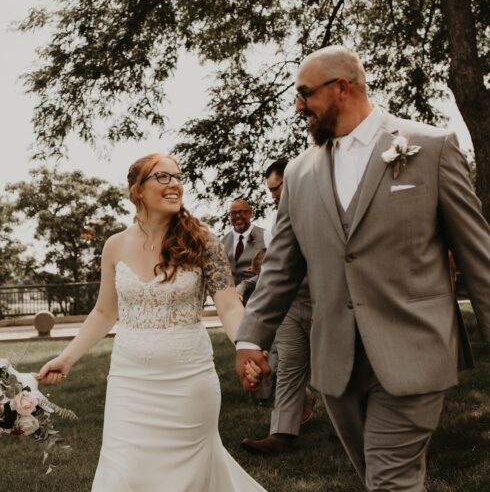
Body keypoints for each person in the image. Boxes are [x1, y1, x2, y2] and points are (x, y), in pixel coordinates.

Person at [235, 46, 490, 491]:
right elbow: (280, 269)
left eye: (305, 94)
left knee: (391, 480)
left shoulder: (430, 147)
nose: (298, 106)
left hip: (415, 349)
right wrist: (250, 337)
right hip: (336, 362)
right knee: (378, 477)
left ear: (342, 88)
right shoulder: (298, 174)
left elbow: (478, 257)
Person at [37, 153, 267, 492]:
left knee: (188, 480)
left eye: (177, 177)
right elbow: (103, 312)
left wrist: (246, 347)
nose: (174, 183)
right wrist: (67, 357)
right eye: (162, 177)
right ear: (138, 191)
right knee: (121, 474)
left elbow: (229, 306)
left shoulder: (204, 242)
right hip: (129, 384)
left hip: (189, 382)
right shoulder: (114, 246)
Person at [241, 159, 315, 454]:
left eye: (277, 188)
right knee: (288, 367)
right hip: (290, 303)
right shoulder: (278, 219)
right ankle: (282, 433)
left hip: (323, 302)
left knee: (338, 370)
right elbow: (276, 267)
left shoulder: (321, 205)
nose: (272, 195)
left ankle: (363, 431)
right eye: (270, 190)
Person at [221, 199, 271, 286]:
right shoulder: (222, 241)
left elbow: (276, 265)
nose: (237, 216)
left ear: (250, 214)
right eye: (233, 213)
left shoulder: (265, 236)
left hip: (258, 295)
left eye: (241, 212)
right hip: (231, 296)